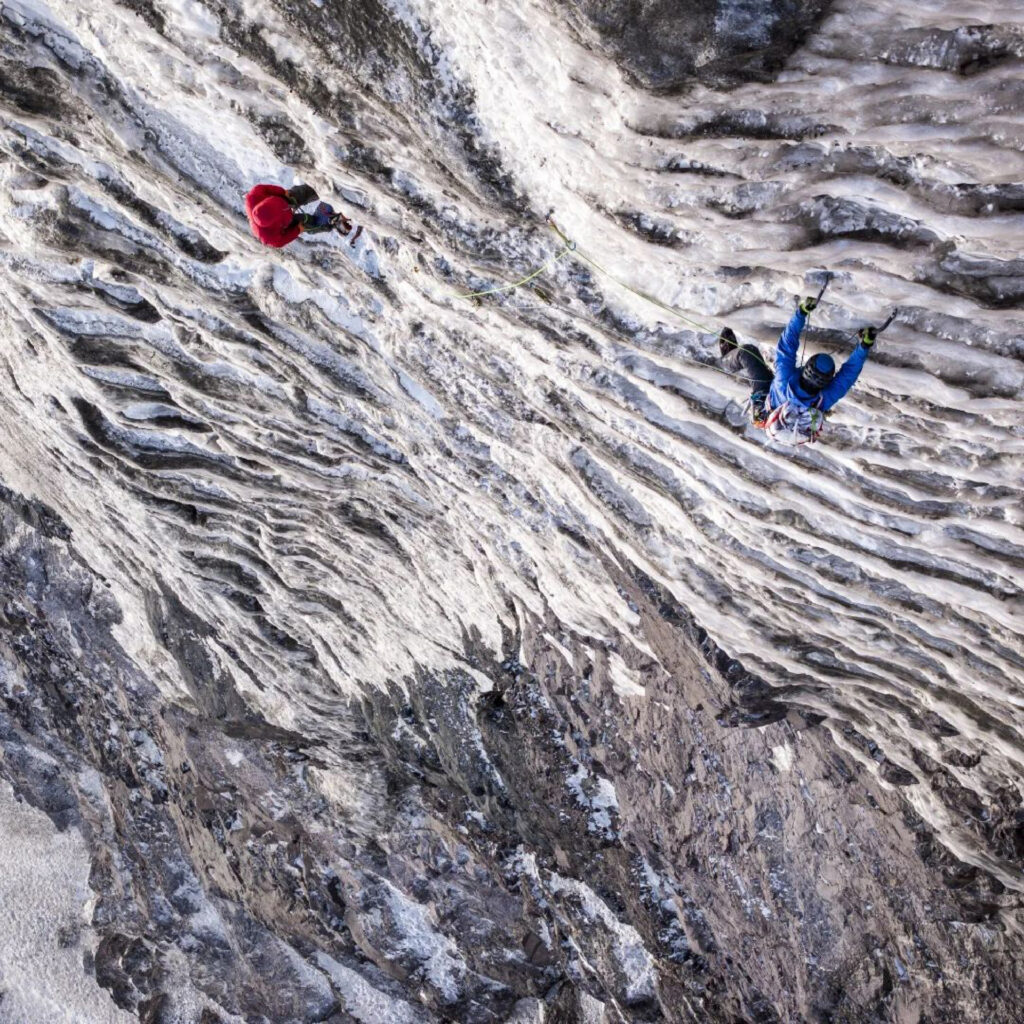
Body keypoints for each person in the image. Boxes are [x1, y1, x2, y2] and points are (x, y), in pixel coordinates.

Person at [718, 296, 876, 442]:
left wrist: (801, 312)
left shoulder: (787, 381)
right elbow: (849, 374)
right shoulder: (824, 398)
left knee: (747, 353)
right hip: (778, 413)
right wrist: (864, 345)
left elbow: (787, 344)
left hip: (767, 407)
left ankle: (723, 362)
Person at [244, 183, 351, 248]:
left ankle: (321, 187)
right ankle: (328, 223)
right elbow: (280, 241)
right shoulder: (268, 237)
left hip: (281, 198)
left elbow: (265, 189)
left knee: (297, 194)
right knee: (306, 223)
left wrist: (282, 192)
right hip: (286, 224)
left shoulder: (253, 197)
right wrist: (297, 230)